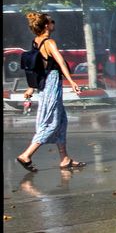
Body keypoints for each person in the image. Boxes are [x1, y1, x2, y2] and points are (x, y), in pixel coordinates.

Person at [16, 12, 87, 172]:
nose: (54, 23)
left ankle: (64, 159)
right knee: (52, 123)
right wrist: (72, 81)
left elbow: (36, 67)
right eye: (51, 21)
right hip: (52, 83)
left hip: (44, 83)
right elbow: (61, 62)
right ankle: (26, 155)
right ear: (46, 25)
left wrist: (31, 87)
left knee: (62, 121)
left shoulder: (36, 41)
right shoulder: (49, 42)